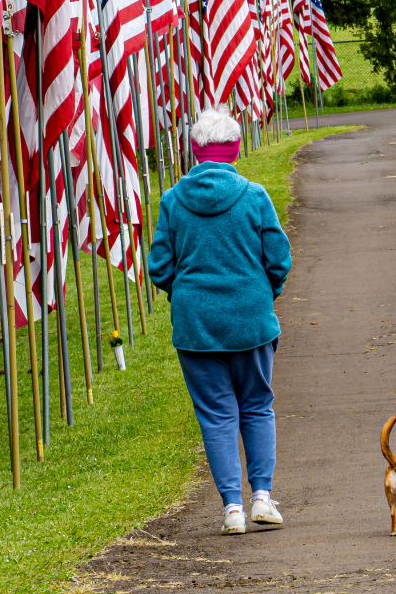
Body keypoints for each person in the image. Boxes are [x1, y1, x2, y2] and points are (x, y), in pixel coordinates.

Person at [149, 108, 294, 535]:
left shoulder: (173, 200)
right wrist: (264, 293)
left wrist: (186, 295)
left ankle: (232, 507)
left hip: (196, 327)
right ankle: (262, 497)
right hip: (251, 320)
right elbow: (278, 259)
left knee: (216, 415)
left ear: (195, 151)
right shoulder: (254, 196)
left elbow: (160, 266)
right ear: (233, 149)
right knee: (256, 406)